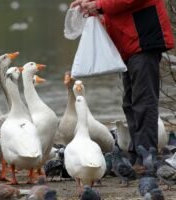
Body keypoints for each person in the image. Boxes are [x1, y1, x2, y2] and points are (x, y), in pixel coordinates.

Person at [70, 0, 174, 164]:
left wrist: (99, 5)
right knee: (130, 102)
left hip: (143, 38)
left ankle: (147, 155)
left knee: (143, 101)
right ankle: (137, 152)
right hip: (128, 42)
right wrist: (90, 4)